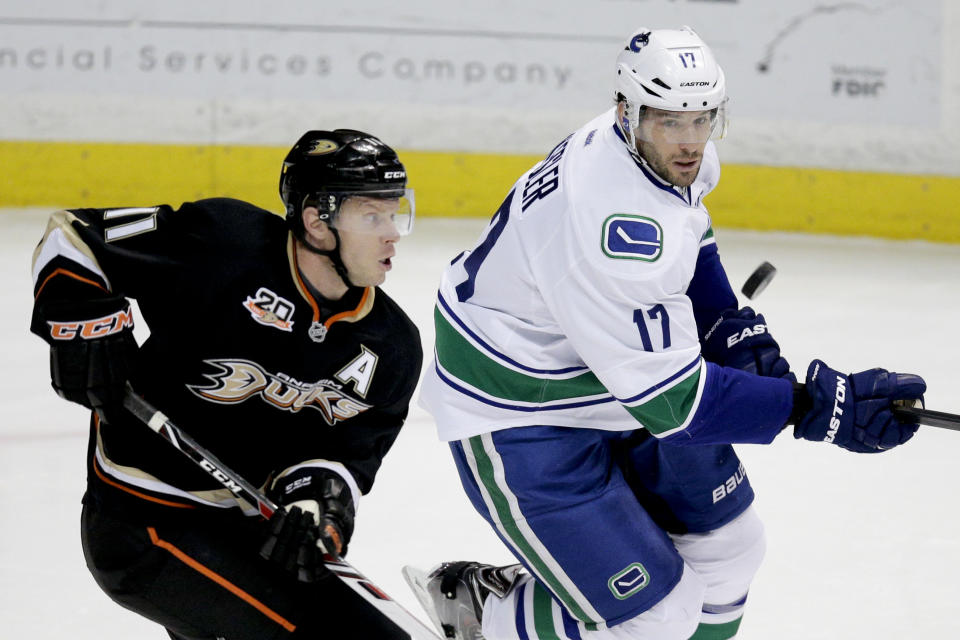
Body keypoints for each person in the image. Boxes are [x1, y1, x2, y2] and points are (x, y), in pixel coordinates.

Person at [407, 27, 926, 640]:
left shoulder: (654, 143)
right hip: (518, 403)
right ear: (627, 111)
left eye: (702, 119)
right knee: (657, 616)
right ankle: (481, 613)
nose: (688, 141)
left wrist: (728, 326)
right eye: (670, 122)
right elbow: (675, 407)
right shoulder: (604, 219)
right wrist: (817, 407)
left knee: (733, 549)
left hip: (608, 366)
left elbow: (687, 228)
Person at [30, 129, 423, 639]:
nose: (392, 232)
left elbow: (345, 455)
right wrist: (85, 326)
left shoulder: (391, 346)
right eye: (373, 216)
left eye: (395, 213)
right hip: (143, 519)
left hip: (246, 529)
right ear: (316, 221)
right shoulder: (221, 244)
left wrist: (313, 505)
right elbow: (74, 239)